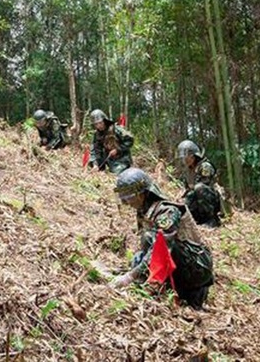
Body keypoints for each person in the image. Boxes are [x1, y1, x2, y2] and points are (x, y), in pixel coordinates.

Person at [110, 168, 215, 309]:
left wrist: (130, 276)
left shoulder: (167, 211)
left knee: (152, 239)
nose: (126, 203)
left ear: (141, 194)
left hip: (196, 269)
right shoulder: (145, 211)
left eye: (128, 197)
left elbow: (161, 249)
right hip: (181, 267)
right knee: (139, 256)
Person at [177, 140, 222, 227]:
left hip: (212, 200)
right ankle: (199, 219)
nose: (184, 160)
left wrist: (188, 197)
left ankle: (212, 220)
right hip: (197, 199)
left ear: (193, 156)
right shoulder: (189, 170)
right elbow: (188, 189)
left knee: (199, 188)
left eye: (186, 157)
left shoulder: (205, 166)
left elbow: (204, 187)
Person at [88, 109, 133, 174]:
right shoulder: (97, 134)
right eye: (96, 124)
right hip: (108, 157)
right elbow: (95, 150)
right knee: (92, 165)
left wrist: (117, 149)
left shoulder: (116, 129)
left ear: (105, 121)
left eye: (100, 123)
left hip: (121, 158)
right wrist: (95, 164)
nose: (99, 126)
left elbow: (130, 140)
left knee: (117, 173)